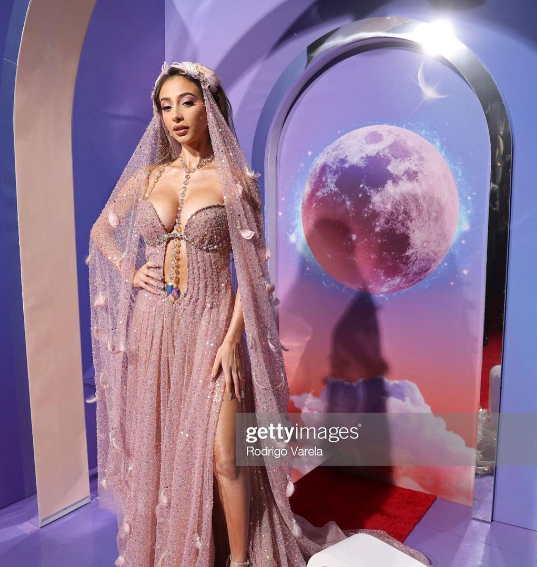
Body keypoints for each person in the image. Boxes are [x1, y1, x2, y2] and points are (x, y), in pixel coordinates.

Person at [88, 61, 432, 567]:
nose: (176, 116)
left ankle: (242, 561)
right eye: (166, 106)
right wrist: (129, 270)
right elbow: (102, 231)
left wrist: (231, 343)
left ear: (209, 106)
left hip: (211, 327)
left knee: (226, 455)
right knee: (161, 449)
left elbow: (252, 278)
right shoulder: (148, 177)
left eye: (187, 102)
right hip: (153, 329)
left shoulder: (234, 182)